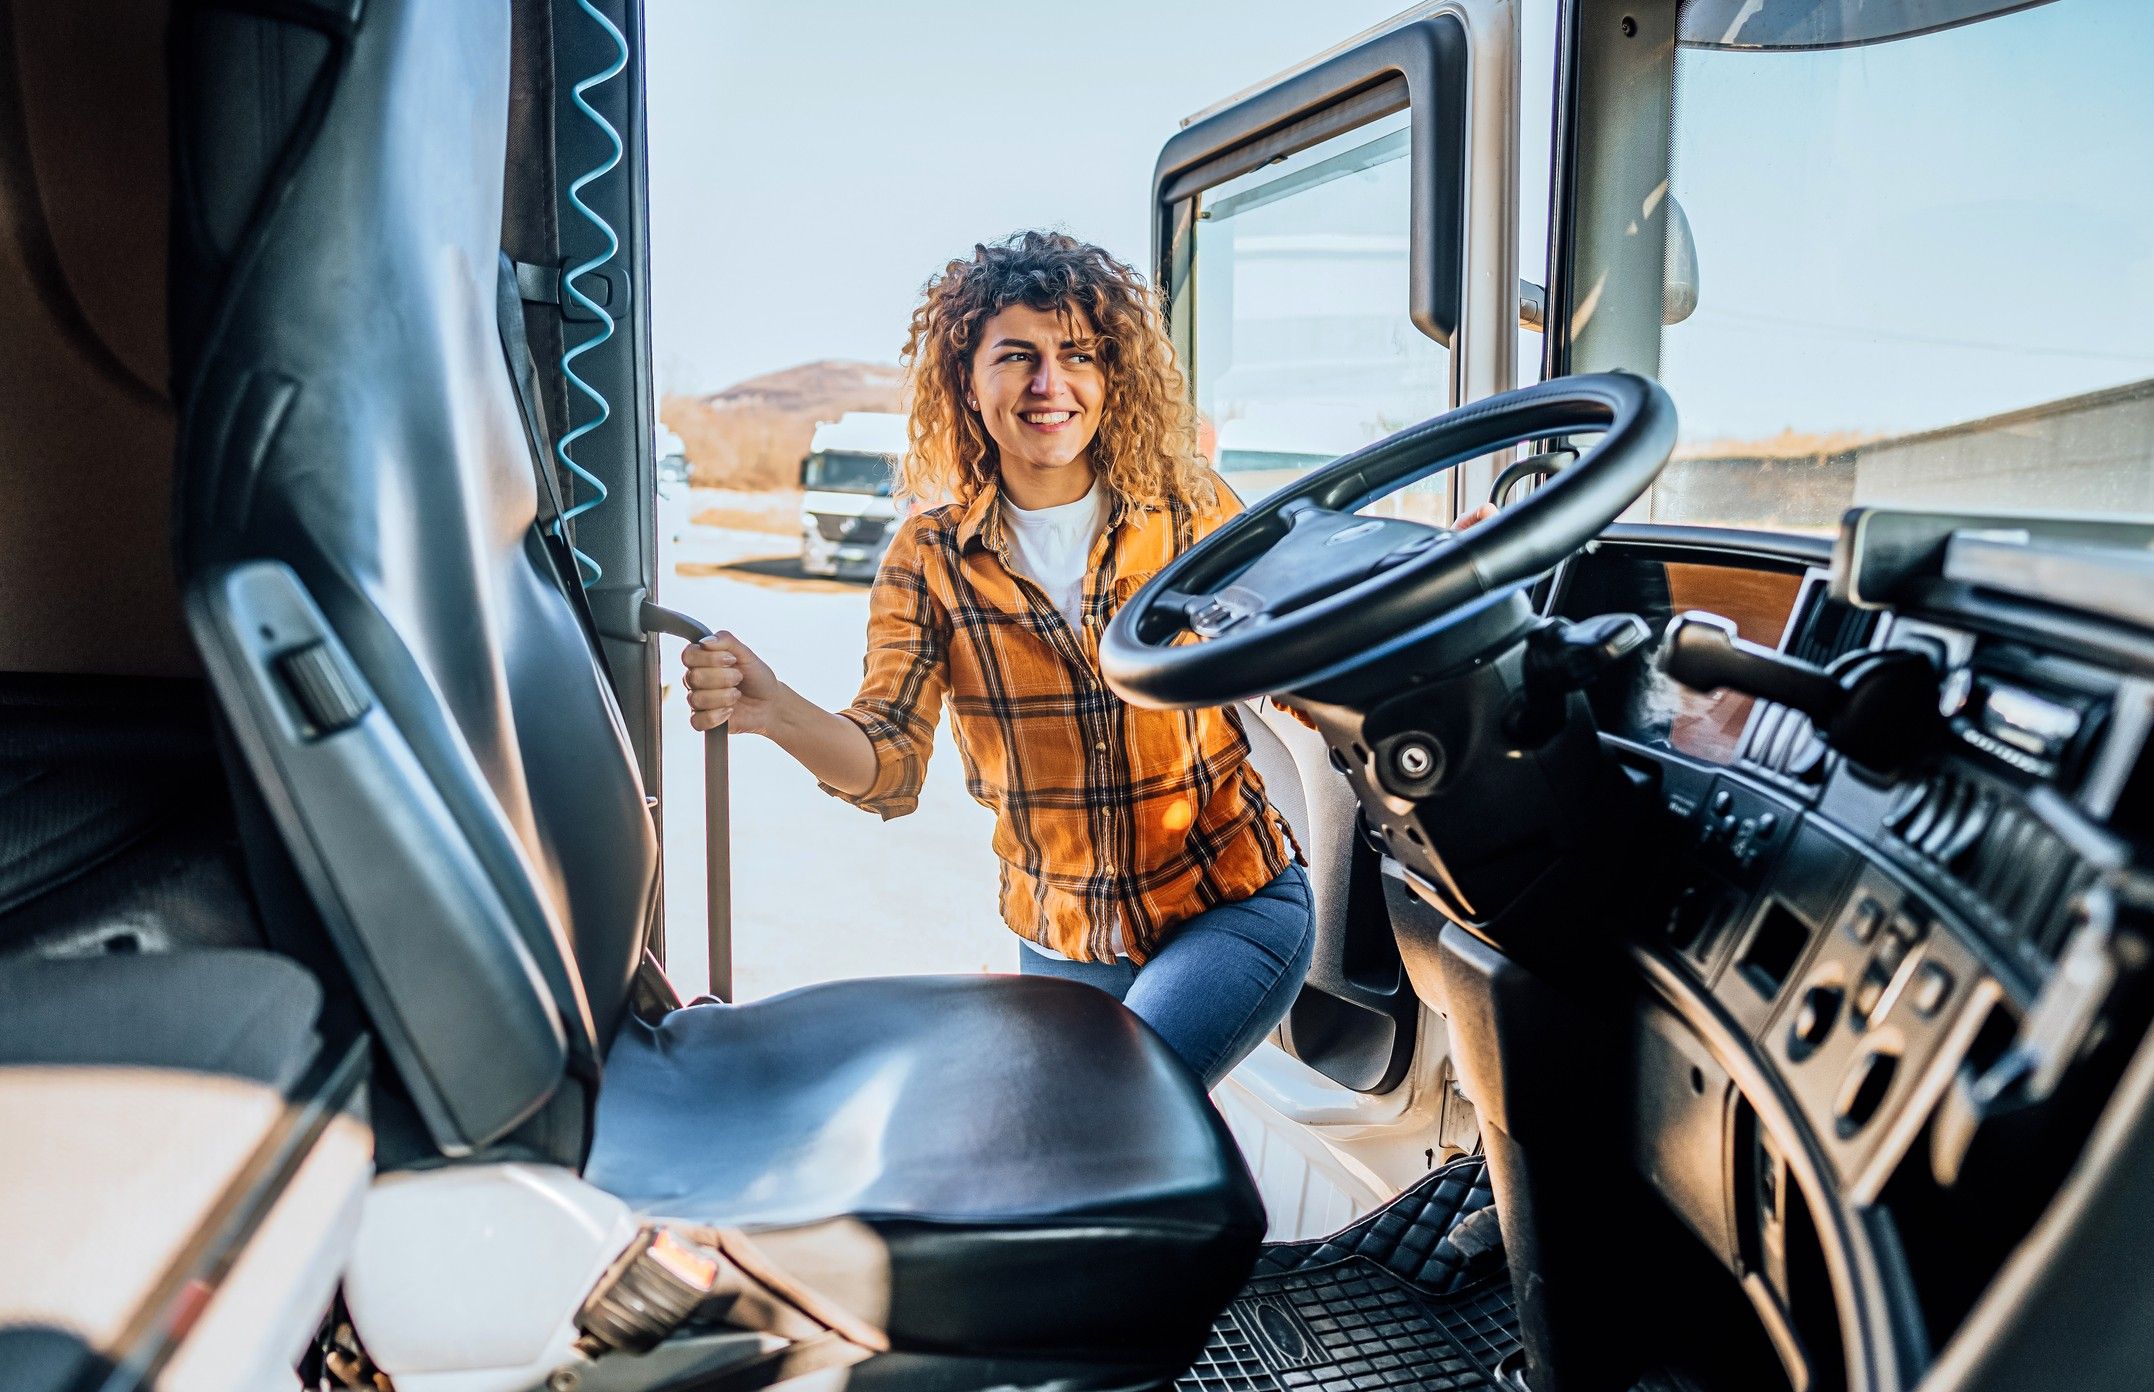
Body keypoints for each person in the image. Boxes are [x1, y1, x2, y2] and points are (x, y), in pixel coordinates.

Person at [681, 230, 1314, 1090]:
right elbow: (888, 766)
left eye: (1078, 356)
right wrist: (774, 709)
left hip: (1230, 902)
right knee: (1093, 1158)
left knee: (1118, 1113)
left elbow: (1303, 626)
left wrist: (1432, 583)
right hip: (1061, 941)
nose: (1049, 385)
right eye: (1016, 357)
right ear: (968, 385)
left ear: (1110, 378)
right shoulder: (929, 558)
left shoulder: (1187, 507)